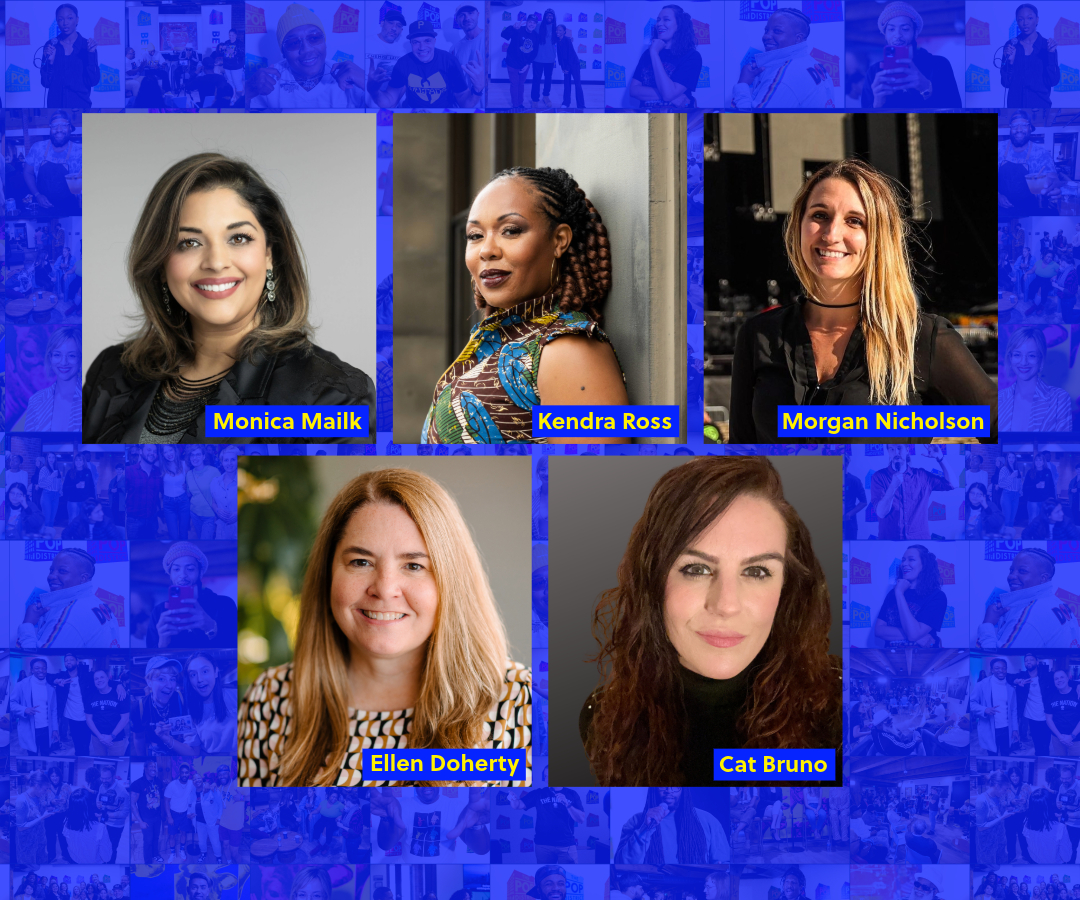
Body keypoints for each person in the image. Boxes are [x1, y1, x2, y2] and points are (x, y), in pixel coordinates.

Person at [239, 468, 531, 786]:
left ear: (452, 582)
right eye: (360, 562)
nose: (385, 588)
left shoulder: (523, 701)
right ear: (328, 574)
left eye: (414, 565)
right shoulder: (268, 701)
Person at [580, 457, 841, 785]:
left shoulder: (850, 711)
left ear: (786, 589)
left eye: (757, 571)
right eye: (696, 569)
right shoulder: (603, 718)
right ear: (652, 580)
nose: (726, 605)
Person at [82, 154, 376, 443]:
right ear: (160, 264)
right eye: (189, 242)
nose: (216, 262)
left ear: (269, 254)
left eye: (238, 238)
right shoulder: (111, 371)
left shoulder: (333, 399)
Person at [729, 158, 996, 442]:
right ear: (799, 225)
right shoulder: (758, 335)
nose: (831, 234)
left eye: (854, 221)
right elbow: (739, 461)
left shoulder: (921, 339)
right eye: (819, 215)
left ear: (879, 237)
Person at [422, 166, 628, 443]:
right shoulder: (504, 336)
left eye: (510, 230)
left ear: (559, 240)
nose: (487, 250)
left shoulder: (568, 348)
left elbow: (596, 478)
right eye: (475, 235)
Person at [249, 4, 367, 108]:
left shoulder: (349, 77)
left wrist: (368, 85)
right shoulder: (269, 81)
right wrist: (248, 91)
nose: (307, 49)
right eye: (293, 43)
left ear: (324, 43)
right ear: (283, 52)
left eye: (314, 38)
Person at [16, 547, 121, 649]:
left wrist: (28, 623)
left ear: (83, 578)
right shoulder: (97, 602)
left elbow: (34, 656)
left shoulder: (68, 617)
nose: (51, 576)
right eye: (51, 570)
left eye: (62, 571)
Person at [862, 2, 960, 108]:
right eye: (891, 29)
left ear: (916, 32)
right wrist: (878, 102)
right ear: (885, 34)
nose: (898, 35)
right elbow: (864, 120)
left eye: (905, 29)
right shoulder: (874, 72)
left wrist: (926, 88)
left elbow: (956, 108)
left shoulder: (939, 64)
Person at [977, 547, 1080, 649]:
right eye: (1011, 570)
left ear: (1043, 578)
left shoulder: (1028, 618)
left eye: (1022, 571)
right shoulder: (1055, 601)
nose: (1011, 576)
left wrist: (988, 623)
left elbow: (995, 659)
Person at [730, 8, 833, 109]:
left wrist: (743, 83)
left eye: (777, 31)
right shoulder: (811, 62)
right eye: (766, 30)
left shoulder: (784, 76)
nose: (766, 36)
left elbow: (749, 121)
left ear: (798, 38)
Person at [371, 19, 484, 109]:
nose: (422, 47)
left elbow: (464, 103)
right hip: (413, 114)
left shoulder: (449, 61)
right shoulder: (403, 63)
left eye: (427, 41)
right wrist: (373, 89)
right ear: (411, 44)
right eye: (416, 42)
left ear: (434, 41)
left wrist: (477, 89)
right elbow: (389, 102)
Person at [148, 541, 238, 649]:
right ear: (170, 574)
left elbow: (236, 651)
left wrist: (211, 628)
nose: (183, 575)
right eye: (176, 569)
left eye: (190, 569)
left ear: (200, 572)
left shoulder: (224, 604)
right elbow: (152, 659)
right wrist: (162, 643)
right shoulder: (159, 612)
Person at [871, 446, 953, 541]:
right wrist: (892, 487)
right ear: (888, 452)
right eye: (892, 449)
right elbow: (881, 513)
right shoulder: (878, 477)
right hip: (890, 541)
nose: (896, 452)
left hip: (920, 540)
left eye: (899, 448)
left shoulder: (922, 475)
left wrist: (940, 458)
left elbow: (953, 484)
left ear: (907, 450)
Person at [873, 544, 947, 647]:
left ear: (924, 565)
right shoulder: (892, 593)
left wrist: (899, 594)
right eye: (903, 560)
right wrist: (916, 636)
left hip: (922, 658)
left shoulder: (937, 596)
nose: (904, 564)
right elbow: (879, 630)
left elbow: (913, 634)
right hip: (892, 658)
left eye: (911, 560)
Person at [629, 5, 702, 109]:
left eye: (666, 20)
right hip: (648, 117)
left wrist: (654, 53)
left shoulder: (692, 56)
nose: (659, 24)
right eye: (658, 20)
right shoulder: (647, 53)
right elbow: (634, 90)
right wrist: (672, 97)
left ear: (679, 25)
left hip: (677, 118)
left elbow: (668, 94)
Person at [15, 327, 81, 432]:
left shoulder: (88, 397)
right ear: (50, 358)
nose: (63, 362)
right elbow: (29, 442)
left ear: (80, 358)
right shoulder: (36, 400)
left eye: (71, 355)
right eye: (57, 355)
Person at [130, 656, 197, 756]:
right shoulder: (138, 708)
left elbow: (193, 748)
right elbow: (139, 738)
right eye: (161, 679)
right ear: (149, 682)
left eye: (172, 679)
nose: (169, 686)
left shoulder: (183, 700)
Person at [999, 112, 1060, 215]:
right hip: (1001, 208)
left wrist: (1053, 184)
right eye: (1014, 125)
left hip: (1029, 209)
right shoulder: (999, 148)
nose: (1018, 129)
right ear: (1010, 129)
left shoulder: (1041, 153)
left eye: (1024, 125)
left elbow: (1053, 178)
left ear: (1030, 128)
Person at [1001, 3, 1061, 108]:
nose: (1025, 23)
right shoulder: (1011, 45)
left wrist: (1050, 54)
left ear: (1037, 20)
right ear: (1017, 22)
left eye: (1029, 18)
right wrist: (1010, 63)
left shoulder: (1046, 46)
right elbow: (1005, 83)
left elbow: (1052, 81)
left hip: (1040, 106)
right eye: (1020, 19)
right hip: (1015, 106)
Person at [40, 4, 100, 107]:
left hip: (80, 105)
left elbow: (93, 81)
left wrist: (91, 54)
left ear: (77, 20)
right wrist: (50, 62)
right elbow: (46, 83)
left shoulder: (86, 46)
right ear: (57, 22)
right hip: (55, 105)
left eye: (70, 18)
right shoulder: (51, 45)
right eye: (60, 19)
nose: (65, 23)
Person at [23, 112, 82, 216]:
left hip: (70, 208)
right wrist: (37, 195)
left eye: (64, 125)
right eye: (54, 125)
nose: (59, 129)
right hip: (42, 207)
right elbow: (27, 172)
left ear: (70, 128)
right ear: (50, 129)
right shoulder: (38, 148)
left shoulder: (80, 152)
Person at [509, 787, 585, 863]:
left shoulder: (572, 794)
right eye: (545, 776)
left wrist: (567, 804)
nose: (547, 778)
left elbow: (581, 819)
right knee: (545, 874)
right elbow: (517, 805)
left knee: (569, 873)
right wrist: (513, 799)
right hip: (543, 845)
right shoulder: (539, 793)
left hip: (566, 844)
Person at [184, 652, 237, 754]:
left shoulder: (235, 694)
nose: (199, 679)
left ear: (216, 672)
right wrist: (168, 740)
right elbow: (195, 752)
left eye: (205, 671)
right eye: (193, 674)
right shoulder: (190, 712)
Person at [971, 658, 1020, 757]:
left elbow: (1014, 711)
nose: (1001, 671)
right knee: (992, 754)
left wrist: (1015, 729)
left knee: (1006, 754)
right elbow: (972, 703)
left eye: (1004, 668)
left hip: (1007, 729)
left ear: (1006, 670)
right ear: (991, 670)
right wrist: (984, 709)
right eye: (997, 668)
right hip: (990, 728)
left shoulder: (1011, 689)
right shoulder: (981, 685)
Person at [366, 9, 408, 105]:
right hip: (365, 105)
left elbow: (404, 83)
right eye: (390, 23)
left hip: (391, 105)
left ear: (401, 30)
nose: (394, 28)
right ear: (382, 23)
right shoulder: (365, 43)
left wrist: (394, 103)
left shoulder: (404, 52)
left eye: (398, 25)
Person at [85, 667, 130, 756]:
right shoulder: (90, 696)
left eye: (102, 677)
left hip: (116, 739)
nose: (99, 680)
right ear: (94, 682)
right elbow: (88, 719)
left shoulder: (120, 693)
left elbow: (125, 718)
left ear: (107, 678)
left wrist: (111, 736)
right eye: (96, 679)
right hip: (97, 738)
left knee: (117, 761)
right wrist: (100, 737)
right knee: (100, 760)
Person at [61, 788, 111, 864]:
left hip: (74, 861)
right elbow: (106, 857)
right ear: (91, 805)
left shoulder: (66, 823)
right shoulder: (100, 828)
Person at [1023, 788, 1072, 864]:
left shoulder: (1026, 823)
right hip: (1054, 867)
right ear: (1050, 805)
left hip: (1034, 863)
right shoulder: (1060, 828)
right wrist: (1061, 822)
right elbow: (1066, 857)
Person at [501, 15, 540, 111]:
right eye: (530, 22)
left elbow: (534, 52)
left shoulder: (536, 35)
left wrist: (528, 64)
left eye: (534, 22)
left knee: (521, 84)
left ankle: (520, 103)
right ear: (526, 22)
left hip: (525, 65)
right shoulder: (518, 29)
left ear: (536, 25)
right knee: (514, 84)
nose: (532, 24)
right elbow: (503, 35)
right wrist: (512, 28)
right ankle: (515, 105)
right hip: (512, 62)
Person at [130, 761, 164, 864]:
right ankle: (148, 862)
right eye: (151, 766)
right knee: (148, 841)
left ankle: (155, 855)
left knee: (156, 838)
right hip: (146, 818)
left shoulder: (158, 781)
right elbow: (132, 803)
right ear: (145, 768)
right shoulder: (137, 784)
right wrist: (140, 821)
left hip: (157, 817)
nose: (154, 768)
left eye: (155, 766)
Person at [125, 445, 162, 538]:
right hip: (134, 521)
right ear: (140, 451)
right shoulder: (129, 471)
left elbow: (162, 492)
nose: (152, 453)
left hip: (152, 519)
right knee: (134, 549)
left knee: (150, 548)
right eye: (149, 450)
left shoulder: (158, 472)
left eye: (154, 451)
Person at [184, 446, 221, 539]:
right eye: (192, 455)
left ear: (203, 456)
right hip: (194, 513)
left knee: (206, 540)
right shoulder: (189, 474)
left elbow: (222, 494)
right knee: (200, 538)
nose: (195, 458)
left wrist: (219, 513)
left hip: (210, 515)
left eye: (198, 454)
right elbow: (190, 494)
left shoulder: (213, 471)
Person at [163, 763, 197, 862]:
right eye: (182, 772)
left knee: (183, 833)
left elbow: (201, 785)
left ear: (189, 774)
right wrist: (169, 816)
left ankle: (182, 850)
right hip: (173, 814)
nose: (184, 774)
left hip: (185, 814)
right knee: (172, 835)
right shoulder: (172, 785)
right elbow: (166, 801)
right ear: (179, 773)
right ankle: (172, 853)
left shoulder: (191, 784)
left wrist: (212, 785)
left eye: (186, 773)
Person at [96, 764, 129, 863]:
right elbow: (99, 798)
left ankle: (110, 865)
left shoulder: (123, 792)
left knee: (111, 848)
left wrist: (109, 815)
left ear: (114, 776)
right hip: (103, 822)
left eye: (107, 778)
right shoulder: (102, 786)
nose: (104, 781)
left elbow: (125, 812)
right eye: (102, 778)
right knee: (102, 845)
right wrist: (98, 804)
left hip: (115, 825)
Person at [16, 772, 50, 864]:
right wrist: (42, 818)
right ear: (37, 786)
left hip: (40, 841)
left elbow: (37, 813)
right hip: (27, 845)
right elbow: (21, 827)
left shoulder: (38, 797)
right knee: (29, 870)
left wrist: (48, 809)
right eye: (44, 789)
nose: (45, 792)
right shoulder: (21, 800)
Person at [976, 771, 1008, 865]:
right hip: (987, 844)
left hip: (1000, 840)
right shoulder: (982, 800)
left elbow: (997, 812)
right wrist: (1002, 818)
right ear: (997, 786)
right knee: (989, 867)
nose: (1005, 792)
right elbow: (981, 827)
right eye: (1004, 789)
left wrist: (1008, 808)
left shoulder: (997, 797)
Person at [1045, 668, 1080, 756]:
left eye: (1062, 677)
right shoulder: (1051, 696)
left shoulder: (1077, 693)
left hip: (1076, 739)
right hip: (1057, 739)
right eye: (1056, 679)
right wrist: (1060, 737)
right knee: (1060, 762)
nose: (1059, 680)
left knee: (1075, 765)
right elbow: (1048, 718)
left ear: (1068, 678)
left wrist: (1072, 736)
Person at [1002, 767, 1033, 864]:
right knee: (1010, 837)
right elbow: (1002, 802)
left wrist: (1026, 801)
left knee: (1023, 836)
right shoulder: (1006, 787)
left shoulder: (1026, 786)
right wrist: (1011, 802)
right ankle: (1011, 856)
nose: (1015, 778)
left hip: (1022, 816)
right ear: (1009, 777)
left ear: (1020, 776)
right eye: (1012, 776)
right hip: (1010, 816)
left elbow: (1032, 801)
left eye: (1017, 776)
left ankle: (1025, 854)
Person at [159, 445, 190, 540]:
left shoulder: (184, 465)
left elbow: (191, 483)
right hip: (168, 504)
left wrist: (187, 487)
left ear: (175, 450)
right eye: (165, 452)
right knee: (173, 536)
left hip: (183, 501)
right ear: (163, 455)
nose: (169, 454)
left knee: (184, 534)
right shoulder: (161, 467)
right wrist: (160, 503)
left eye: (170, 450)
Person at [193, 772, 223, 863]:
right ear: (193, 782)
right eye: (194, 779)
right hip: (199, 822)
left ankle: (218, 857)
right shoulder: (193, 792)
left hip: (212, 821)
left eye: (198, 778)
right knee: (201, 842)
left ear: (202, 779)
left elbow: (220, 805)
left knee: (215, 842)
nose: (196, 780)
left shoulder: (212, 789)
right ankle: (203, 854)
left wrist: (218, 819)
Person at [210, 446, 239, 538]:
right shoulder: (215, 482)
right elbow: (213, 502)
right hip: (221, 530)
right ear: (222, 462)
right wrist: (217, 510)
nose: (229, 463)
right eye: (226, 460)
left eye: (233, 459)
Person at [61, 452, 96, 524]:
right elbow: (64, 488)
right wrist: (75, 486)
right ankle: (72, 535)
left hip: (85, 501)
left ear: (83, 462)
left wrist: (93, 499)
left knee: (84, 522)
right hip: (73, 501)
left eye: (80, 460)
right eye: (76, 460)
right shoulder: (70, 472)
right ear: (74, 462)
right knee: (73, 522)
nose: (78, 462)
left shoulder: (88, 471)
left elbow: (91, 486)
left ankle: (82, 535)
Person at [1022, 452, 1058, 522]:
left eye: (1040, 460)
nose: (1038, 462)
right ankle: (1032, 533)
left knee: (1044, 521)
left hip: (1045, 500)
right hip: (1033, 501)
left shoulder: (1048, 471)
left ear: (1043, 462)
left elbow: (1051, 486)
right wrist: (1036, 486)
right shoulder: (1030, 472)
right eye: (1036, 460)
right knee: (1033, 521)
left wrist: (1053, 499)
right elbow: (1025, 488)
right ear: (1034, 461)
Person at [554, 25, 584, 109]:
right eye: (557, 30)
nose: (558, 32)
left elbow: (571, 56)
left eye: (560, 30)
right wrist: (563, 67)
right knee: (567, 85)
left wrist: (567, 68)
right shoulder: (557, 40)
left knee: (577, 84)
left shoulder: (567, 40)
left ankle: (581, 105)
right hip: (566, 66)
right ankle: (566, 103)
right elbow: (560, 56)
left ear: (564, 32)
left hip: (574, 65)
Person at [842, 453, 866, 539]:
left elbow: (863, 501)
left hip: (849, 523)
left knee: (848, 548)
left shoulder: (854, 480)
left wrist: (849, 514)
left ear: (847, 463)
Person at [37, 452, 63, 528]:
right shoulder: (44, 469)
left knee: (52, 519)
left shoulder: (57, 469)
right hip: (47, 495)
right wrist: (51, 477)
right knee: (46, 519)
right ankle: (43, 536)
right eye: (49, 457)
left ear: (55, 459)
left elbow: (59, 483)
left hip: (56, 495)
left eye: (53, 457)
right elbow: (41, 484)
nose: (51, 459)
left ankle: (49, 537)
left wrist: (60, 492)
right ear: (47, 459)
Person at [998, 451, 1023, 529]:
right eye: (1009, 457)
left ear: (1015, 459)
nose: (1011, 459)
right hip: (1007, 495)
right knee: (1006, 519)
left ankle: (1009, 537)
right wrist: (1011, 477)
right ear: (1007, 458)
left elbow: (1019, 483)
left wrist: (1020, 491)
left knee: (1012, 520)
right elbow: (1001, 484)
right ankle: (1003, 537)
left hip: (1016, 495)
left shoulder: (1017, 469)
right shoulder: (1004, 469)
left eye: (1013, 457)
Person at [217, 30, 244, 98]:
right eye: (230, 35)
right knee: (230, 82)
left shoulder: (240, 43)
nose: (231, 37)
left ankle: (240, 99)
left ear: (236, 35)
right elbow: (222, 53)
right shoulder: (227, 42)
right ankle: (233, 96)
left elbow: (243, 53)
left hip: (236, 66)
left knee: (237, 82)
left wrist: (235, 52)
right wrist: (222, 49)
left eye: (232, 35)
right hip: (227, 65)